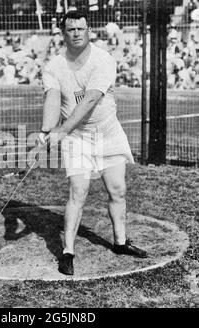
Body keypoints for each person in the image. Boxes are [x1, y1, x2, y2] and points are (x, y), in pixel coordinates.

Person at [39, 10, 148, 276]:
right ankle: (67, 252)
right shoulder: (53, 67)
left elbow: (89, 101)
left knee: (117, 190)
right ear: (63, 34)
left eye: (80, 29)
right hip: (77, 138)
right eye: (70, 30)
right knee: (78, 192)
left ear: (89, 31)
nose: (76, 33)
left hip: (107, 131)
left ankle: (121, 242)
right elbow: (53, 99)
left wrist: (61, 130)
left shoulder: (103, 60)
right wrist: (46, 130)